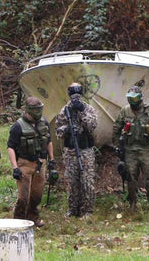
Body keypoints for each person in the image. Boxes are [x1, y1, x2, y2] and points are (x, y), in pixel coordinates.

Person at [112, 86, 149, 213]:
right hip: (129, 150)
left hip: (145, 149)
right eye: (130, 98)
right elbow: (116, 128)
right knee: (131, 177)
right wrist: (117, 146)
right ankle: (133, 203)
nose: (132, 101)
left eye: (134, 98)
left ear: (140, 98)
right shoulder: (125, 111)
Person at [6, 97, 55, 227]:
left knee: (37, 195)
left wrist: (52, 159)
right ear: (28, 110)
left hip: (40, 163)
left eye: (39, 109)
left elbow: (49, 141)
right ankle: (18, 220)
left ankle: (33, 218)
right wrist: (15, 167)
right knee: (23, 197)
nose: (38, 112)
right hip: (24, 163)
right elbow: (10, 147)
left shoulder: (44, 122)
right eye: (35, 109)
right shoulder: (18, 126)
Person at [55, 83, 98, 218]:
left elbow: (92, 125)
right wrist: (67, 130)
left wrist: (83, 111)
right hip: (71, 150)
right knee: (72, 181)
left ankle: (88, 210)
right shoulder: (64, 110)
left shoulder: (88, 108)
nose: (76, 98)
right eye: (73, 95)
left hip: (85, 150)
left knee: (87, 181)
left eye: (78, 95)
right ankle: (73, 209)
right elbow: (58, 130)